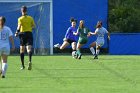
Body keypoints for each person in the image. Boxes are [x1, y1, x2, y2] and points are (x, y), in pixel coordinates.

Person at [15, 6, 35, 70]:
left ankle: (22, 65)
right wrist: (29, 28)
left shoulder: (20, 19)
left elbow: (19, 26)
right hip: (29, 33)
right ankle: (29, 61)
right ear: (26, 11)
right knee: (29, 49)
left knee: (22, 50)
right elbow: (33, 26)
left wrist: (16, 32)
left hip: (22, 34)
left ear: (21, 11)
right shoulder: (30, 18)